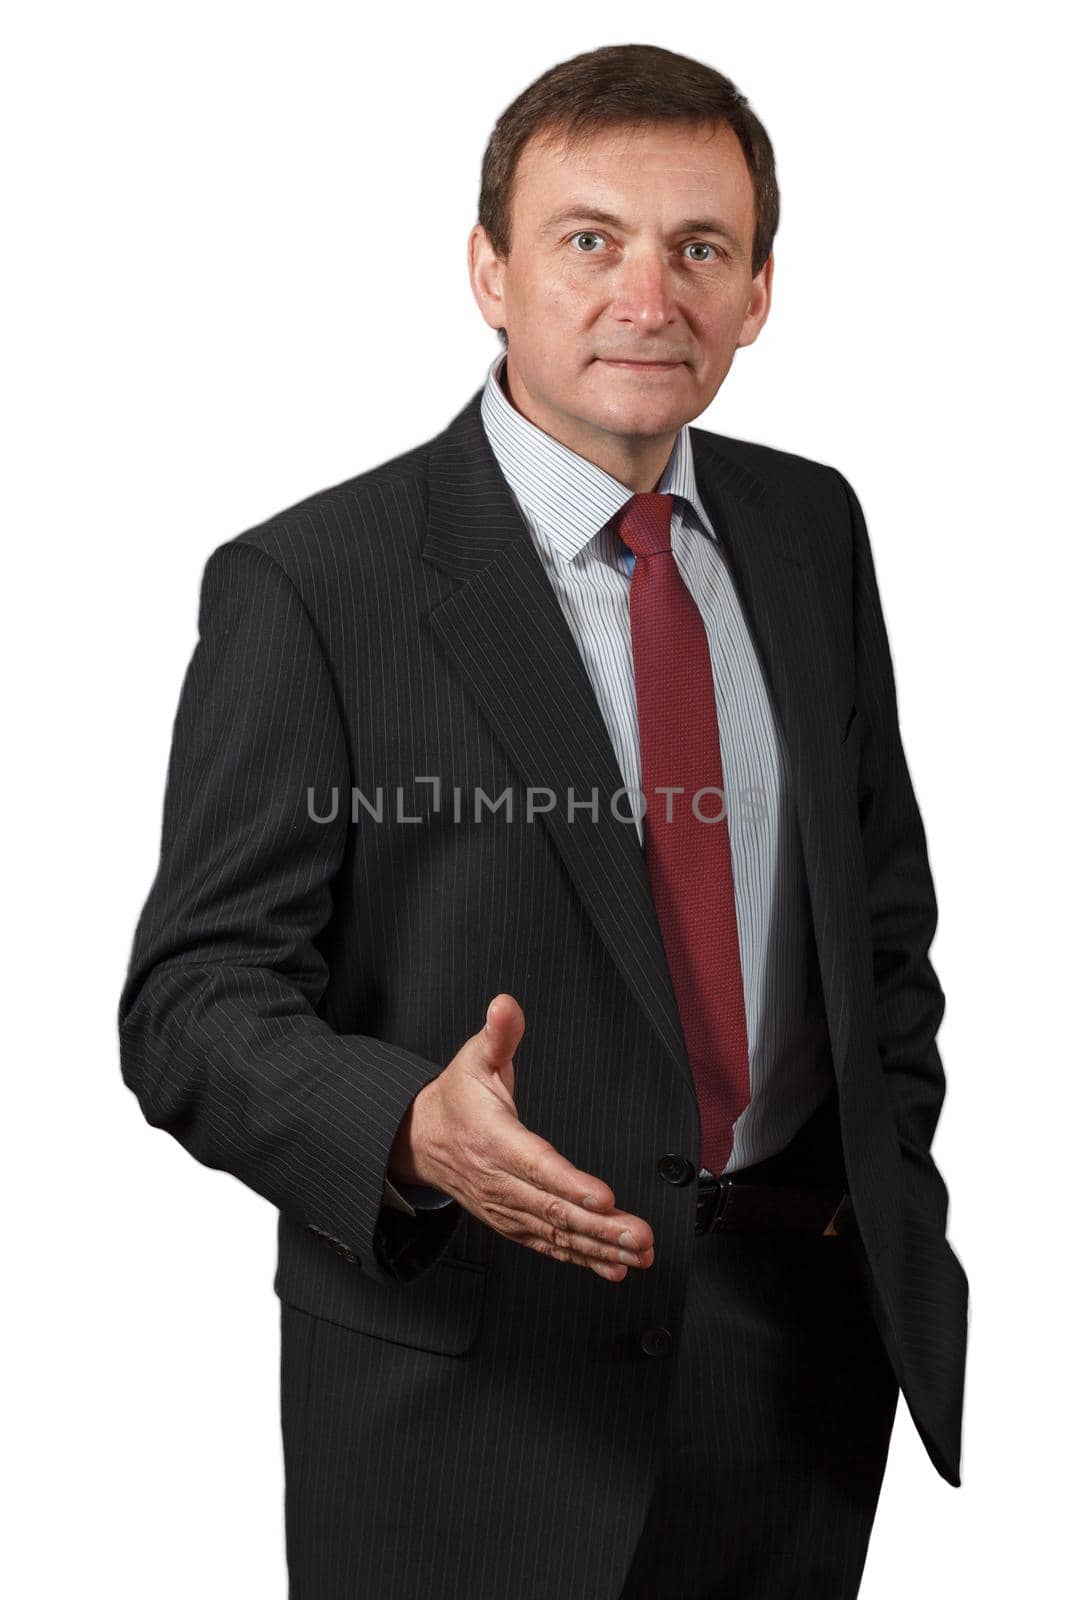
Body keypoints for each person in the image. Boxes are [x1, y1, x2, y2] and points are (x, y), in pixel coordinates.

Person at [118, 41, 969, 1600]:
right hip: (476, 1407)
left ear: (760, 290)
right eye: (591, 241)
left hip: (796, 1372)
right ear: (490, 272)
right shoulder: (315, 586)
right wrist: (406, 1131)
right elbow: (191, 1004)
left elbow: (882, 927)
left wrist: (882, 1177)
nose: (650, 298)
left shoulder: (810, 529)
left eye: (699, 249)